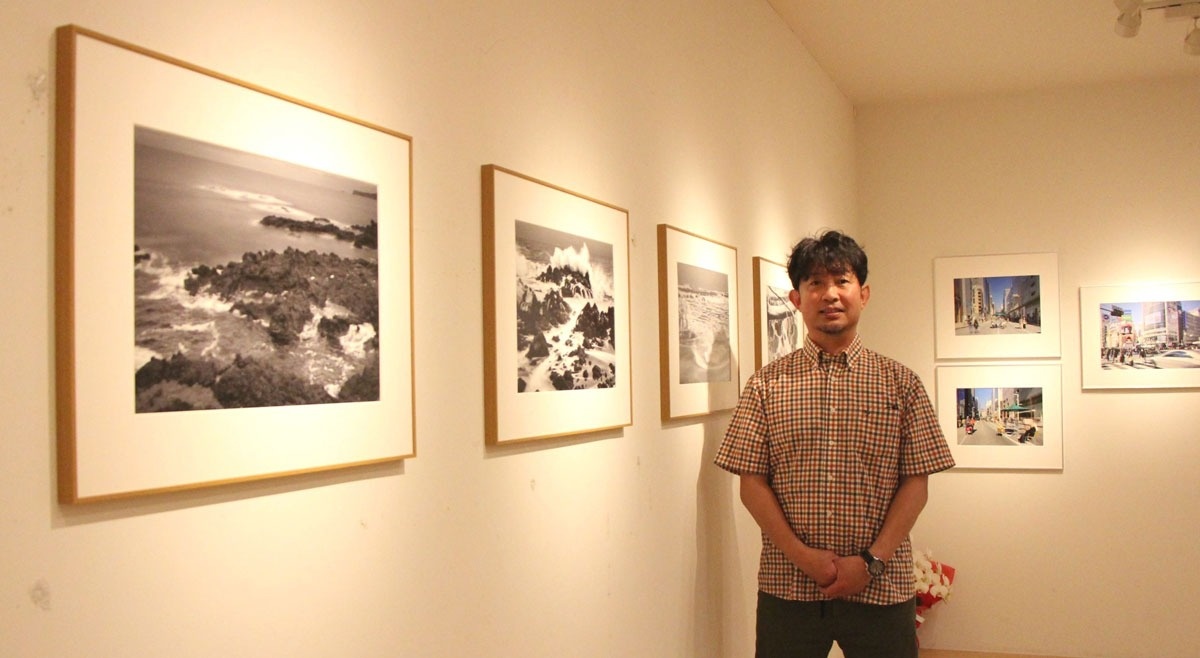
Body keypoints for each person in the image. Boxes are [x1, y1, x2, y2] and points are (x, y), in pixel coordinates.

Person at [714, 230, 955, 658]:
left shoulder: (901, 384)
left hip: (881, 586)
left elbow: (916, 484)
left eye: (842, 281)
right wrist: (803, 557)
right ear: (796, 298)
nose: (830, 294)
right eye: (815, 283)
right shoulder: (765, 386)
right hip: (789, 586)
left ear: (864, 293)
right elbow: (752, 484)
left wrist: (871, 561)